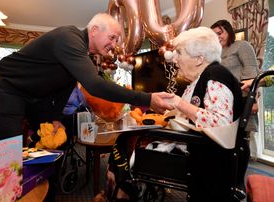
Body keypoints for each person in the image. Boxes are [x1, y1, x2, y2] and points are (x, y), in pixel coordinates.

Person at [102, 27, 243, 201]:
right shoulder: (202, 78)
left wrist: (178, 103)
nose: (174, 59)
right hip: (198, 150)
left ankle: (119, 193)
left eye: (179, 53)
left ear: (199, 59)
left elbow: (220, 123)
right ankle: (123, 191)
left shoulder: (216, 76)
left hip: (207, 159)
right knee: (125, 141)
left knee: (126, 143)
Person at [0, 13, 174, 141]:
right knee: (10, 149)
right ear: (94, 31)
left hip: (39, 95)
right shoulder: (69, 38)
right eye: (112, 37)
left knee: (50, 140)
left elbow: (65, 86)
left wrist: (55, 117)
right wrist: (147, 99)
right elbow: (94, 85)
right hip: (9, 87)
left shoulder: (86, 56)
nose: (114, 44)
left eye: (116, 40)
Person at [211, 19, 260, 197]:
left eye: (220, 32)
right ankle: (227, 179)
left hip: (242, 98)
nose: (218, 37)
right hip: (222, 102)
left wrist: (252, 99)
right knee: (226, 141)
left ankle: (239, 182)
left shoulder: (241, 46)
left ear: (229, 31)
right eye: (214, 34)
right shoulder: (215, 53)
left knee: (241, 140)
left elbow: (252, 72)